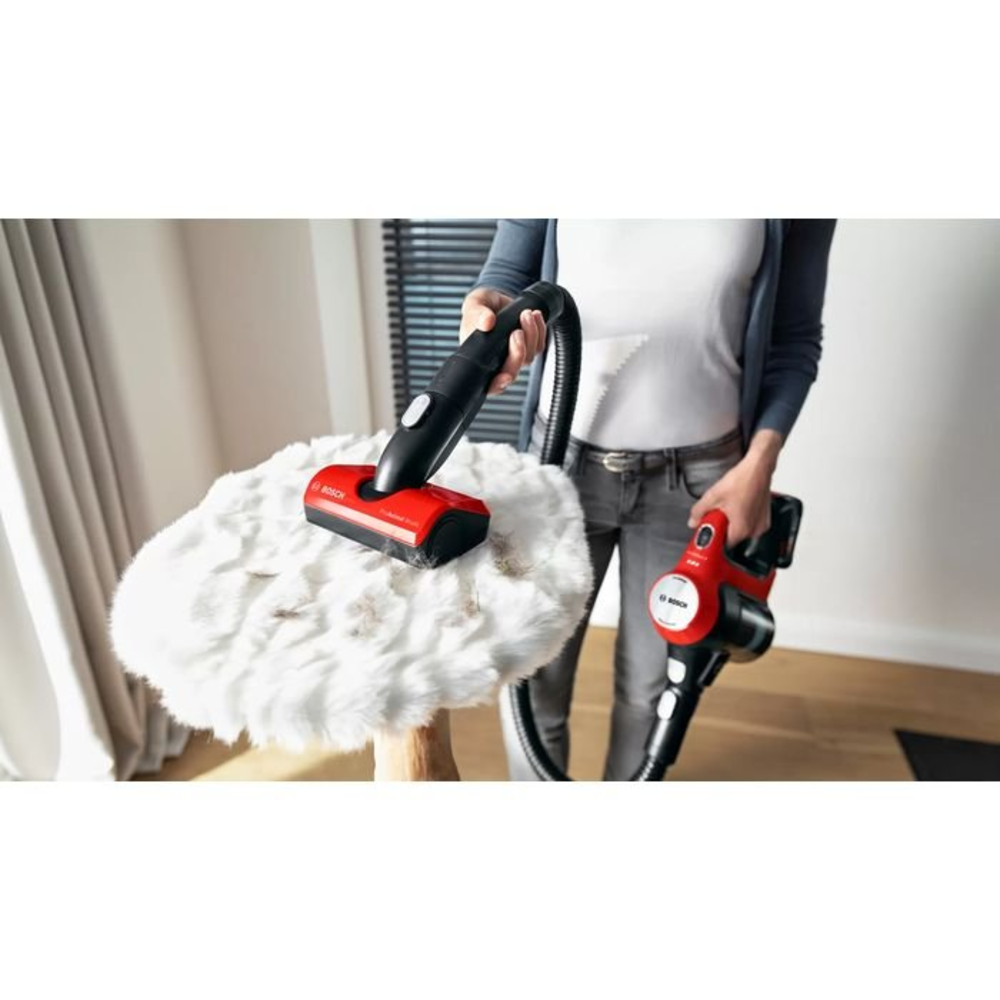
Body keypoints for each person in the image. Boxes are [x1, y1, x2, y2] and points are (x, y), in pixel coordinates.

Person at [460, 219, 836, 781]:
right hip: (559, 467)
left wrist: (760, 464)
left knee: (651, 691)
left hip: (698, 487)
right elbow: (508, 274)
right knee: (532, 682)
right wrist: (489, 314)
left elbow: (794, 338)